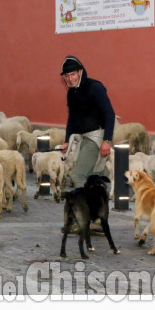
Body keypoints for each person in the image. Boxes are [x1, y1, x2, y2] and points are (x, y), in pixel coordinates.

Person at [59, 55, 115, 235]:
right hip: (83, 137)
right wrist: (67, 140)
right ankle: (97, 221)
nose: (70, 79)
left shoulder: (94, 87)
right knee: (93, 178)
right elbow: (72, 118)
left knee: (78, 174)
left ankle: (84, 218)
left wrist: (107, 140)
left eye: (73, 74)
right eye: (66, 76)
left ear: (80, 72)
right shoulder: (72, 92)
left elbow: (109, 114)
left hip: (96, 137)